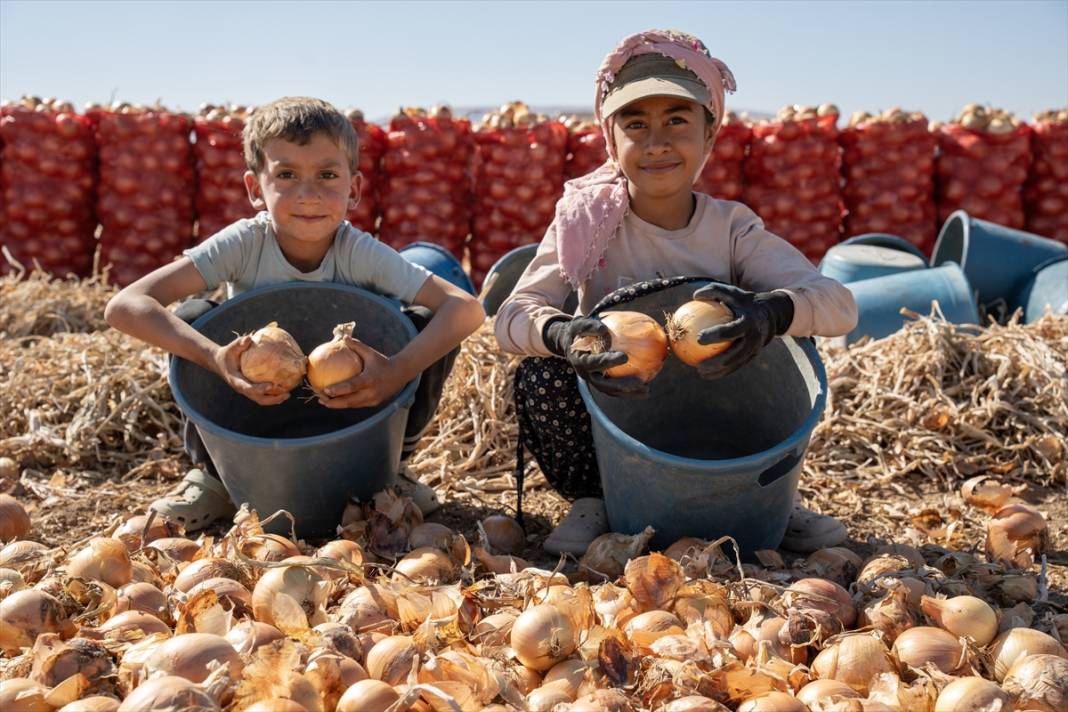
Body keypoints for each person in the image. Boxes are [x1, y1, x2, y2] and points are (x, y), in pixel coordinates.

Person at [493, 30, 858, 555]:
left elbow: (839, 305)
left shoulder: (732, 230)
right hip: (619, 420)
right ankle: (594, 497)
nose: (657, 142)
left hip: (722, 410)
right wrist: (562, 332)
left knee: (786, 332)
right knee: (542, 371)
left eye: (677, 122)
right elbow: (510, 317)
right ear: (609, 139)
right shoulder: (582, 224)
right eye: (636, 124)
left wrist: (771, 313)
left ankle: (767, 491)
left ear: (709, 137)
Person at [105, 96, 485, 531]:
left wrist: (396, 371)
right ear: (254, 189)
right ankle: (213, 478)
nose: (308, 195)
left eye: (327, 175)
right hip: (254, 400)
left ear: (354, 189)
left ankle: (394, 466)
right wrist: (215, 357)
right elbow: (126, 306)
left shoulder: (357, 250)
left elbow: (465, 310)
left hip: (356, 405)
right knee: (193, 316)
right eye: (286, 175)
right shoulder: (244, 243)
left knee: (421, 321)